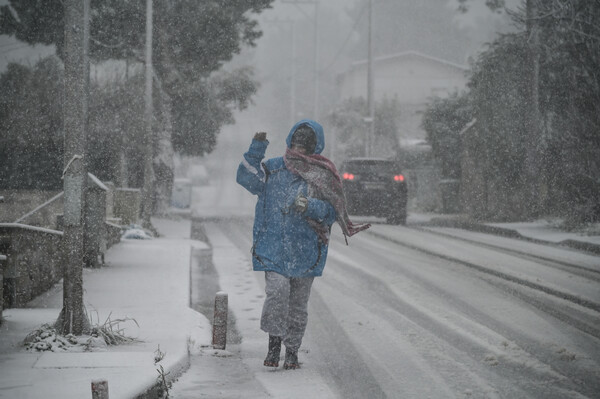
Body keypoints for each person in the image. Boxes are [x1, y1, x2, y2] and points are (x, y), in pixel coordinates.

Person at [236, 119, 370, 370]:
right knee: (277, 293)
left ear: (314, 148)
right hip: (273, 247)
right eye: (296, 144)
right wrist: (257, 147)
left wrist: (311, 206)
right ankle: (274, 345)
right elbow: (247, 178)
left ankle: (292, 351)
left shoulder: (323, 176)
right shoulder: (274, 169)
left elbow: (332, 212)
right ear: (289, 141)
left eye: (304, 146)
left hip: (306, 250)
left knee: (298, 304)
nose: (298, 150)